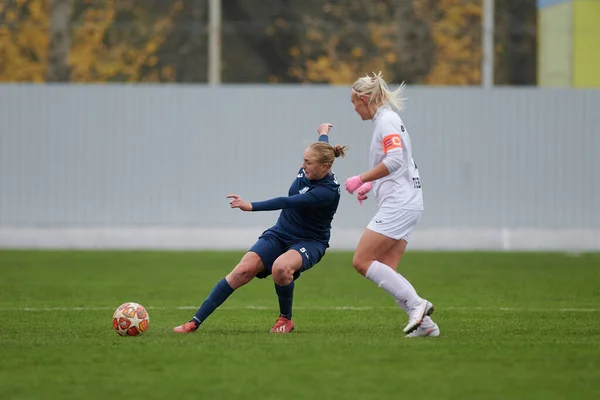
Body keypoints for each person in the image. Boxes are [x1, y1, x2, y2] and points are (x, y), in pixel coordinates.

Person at [173, 123, 347, 334]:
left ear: (325, 167)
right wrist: (323, 133)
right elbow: (323, 148)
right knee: (242, 270)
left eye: (308, 162)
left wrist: (251, 206)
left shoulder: (327, 192)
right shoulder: (318, 163)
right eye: (303, 159)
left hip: (310, 241)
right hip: (282, 232)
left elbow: (287, 201)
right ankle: (194, 322)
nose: (303, 165)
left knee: (281, 268)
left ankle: (285, 320)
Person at [344, 72, 439, 338]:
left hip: (399, 203)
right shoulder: (386, 121)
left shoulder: (386, 121)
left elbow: (395, 160)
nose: (353, 108)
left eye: (354, 103)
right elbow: (398, 164)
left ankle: (419, 305)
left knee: (362, 260)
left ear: (363, 99)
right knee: (386, 267)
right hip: (408, 202)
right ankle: (425, 325)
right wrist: (370, 185)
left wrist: (360, 178)